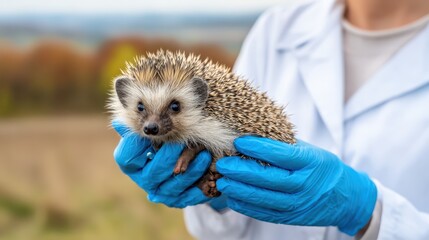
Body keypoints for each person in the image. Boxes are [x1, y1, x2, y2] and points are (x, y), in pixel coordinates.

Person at [112, 0, 429, 239]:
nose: (153, 123)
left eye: (173, 108)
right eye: (143, 110)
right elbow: (226, 232)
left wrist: (372, 214)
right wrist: (215, 200)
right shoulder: (277, 28)